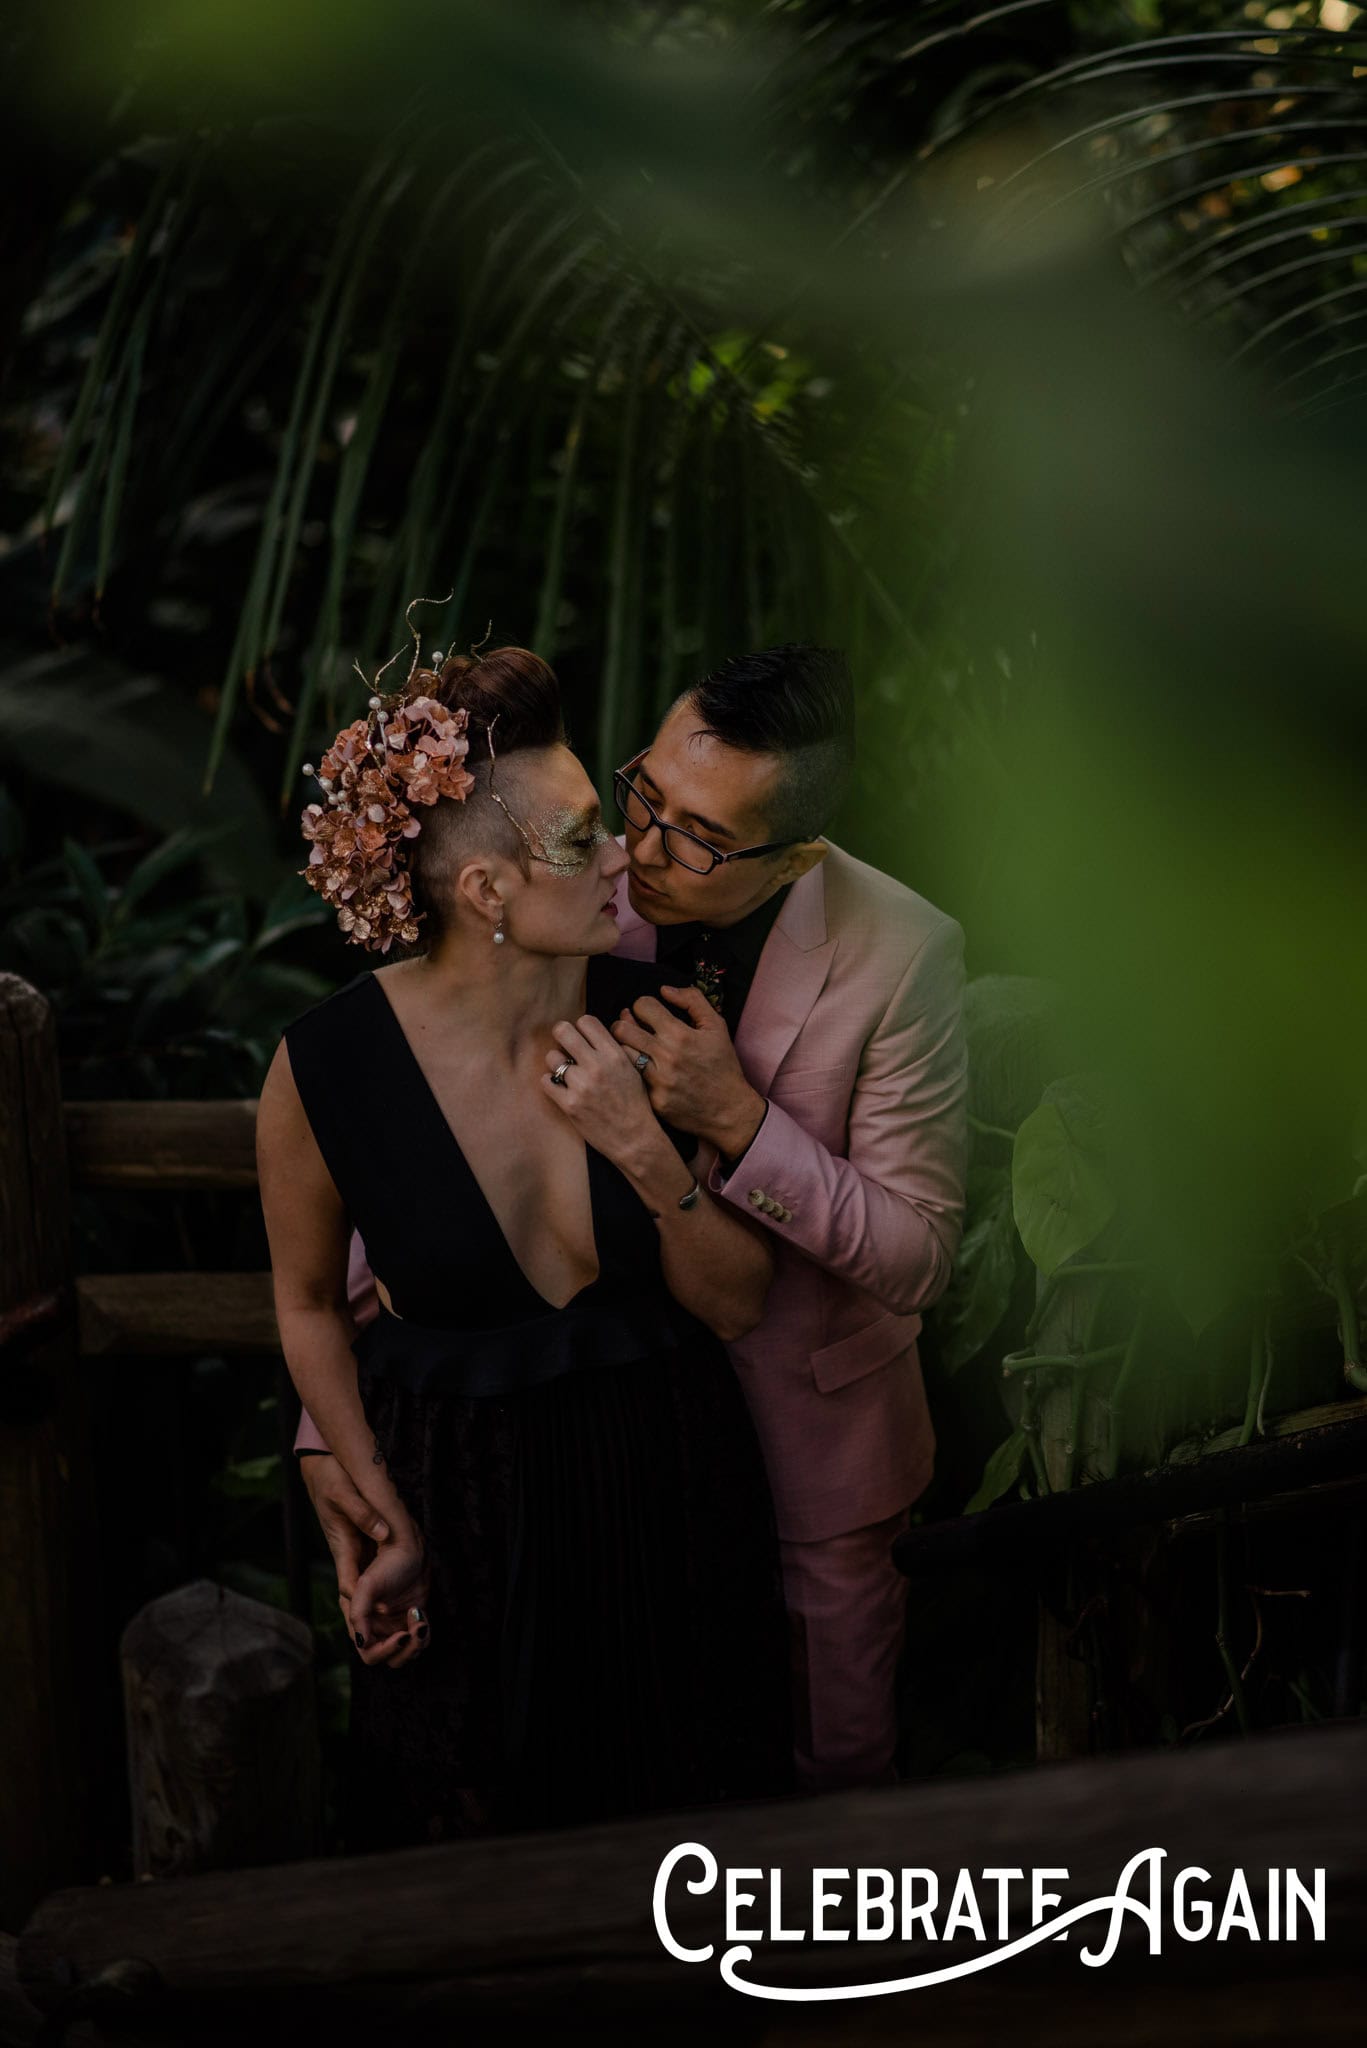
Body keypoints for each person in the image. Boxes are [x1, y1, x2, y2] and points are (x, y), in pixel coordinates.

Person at [300, 643, 968, 1796]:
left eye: (697, 838)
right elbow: (429, 1148)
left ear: (795, 852)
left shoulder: (902, 951)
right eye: (642, 793)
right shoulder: (582, 898)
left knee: (829, 1772)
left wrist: (744, 1124)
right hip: (622, 1456)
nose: (640, 852)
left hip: (814, 1449)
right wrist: (334, 1446)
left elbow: (916, 1252)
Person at [258, 629, 791, 1851]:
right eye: (579, 840)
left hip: (668, 1482)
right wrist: (382, 1511)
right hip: (461, 1510)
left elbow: (737, 1303)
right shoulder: (325, 1067)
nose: (623, 857)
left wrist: (644, 1150)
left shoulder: (658, 1025)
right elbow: (301, 1304)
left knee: (691, 1842)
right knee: (474, 1864)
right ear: (485, 890)